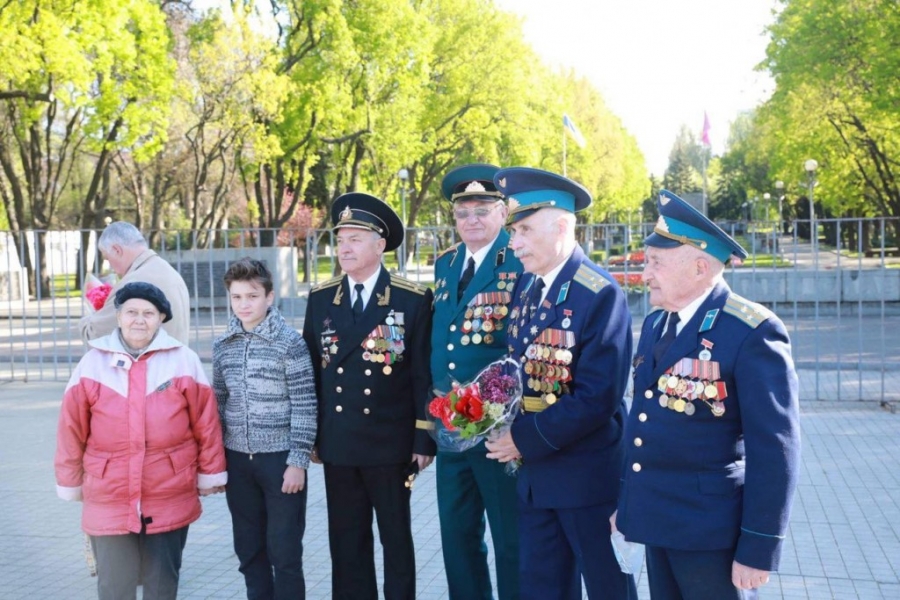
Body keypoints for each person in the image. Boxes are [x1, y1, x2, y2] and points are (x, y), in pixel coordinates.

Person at [612, 189, 801, 599]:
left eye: (656, 262)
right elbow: (641, 423)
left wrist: (759, 547)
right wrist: (626, 505)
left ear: (700, 267)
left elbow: (775, 449)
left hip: (711, 534)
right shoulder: (658, 324)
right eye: (647, 262)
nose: (644, 274)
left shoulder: (751, 331)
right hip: (656, 521)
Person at [484, 167, 637, 600]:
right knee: (541, 589)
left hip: (587, 478)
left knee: (608, 588)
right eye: (514, 232)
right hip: (536, 478)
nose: (514, 243)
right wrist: (485, 410)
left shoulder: (599, 292)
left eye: (525, 231)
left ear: (562, 227)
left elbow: (597, 398)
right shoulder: (528, 286)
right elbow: (519, 371)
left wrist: (522, 439)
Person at [302, 192, 436, 600]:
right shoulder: (322, 298)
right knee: (346, 542)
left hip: (390, 443)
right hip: (339, 442)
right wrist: (312, 436)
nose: (344, 247)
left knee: (396, 541)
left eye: (356, 239)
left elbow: (421, 374)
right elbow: (313, 373)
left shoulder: (411, 299)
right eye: (341, 239)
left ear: (380, 245)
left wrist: (423, 437)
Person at [55, 281, 226, 600]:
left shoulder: (183, 360)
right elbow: (71, 429)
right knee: (114, 585)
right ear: (118, 316)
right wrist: (70, 480)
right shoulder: (93, 363)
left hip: (169, 491)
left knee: (161, 585)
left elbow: (207, 423)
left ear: (161, 318)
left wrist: (210, 473)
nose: (139, 320)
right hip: (109, 493)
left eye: (148, 313)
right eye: (131, 312)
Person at [431, 164, 523, 600]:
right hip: (450, 424)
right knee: (456, 535)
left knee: (510, 537)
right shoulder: (445, 264)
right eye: (463, 212)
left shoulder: (518, 260)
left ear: (503, 213)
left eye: (482, 210)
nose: (471, 220)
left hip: (498, 429)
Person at [212, 258, 318, 600]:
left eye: (252, 296)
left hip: (280, 463)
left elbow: (305, 404)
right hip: (237, 462)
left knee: (284, 551)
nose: (244, 304)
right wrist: (215, 462)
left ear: (269, 297)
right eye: (237, 296)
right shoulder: (223, 345)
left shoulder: (289, 344)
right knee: (248, 549)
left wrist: (297, 461)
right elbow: (218, 402)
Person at [80, 221, 191, 345]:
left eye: (107, 258)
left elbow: (96, 335)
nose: (110, 266)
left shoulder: (133, 285)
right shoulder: (167, 270)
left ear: (117, 250)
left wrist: (89, 319)